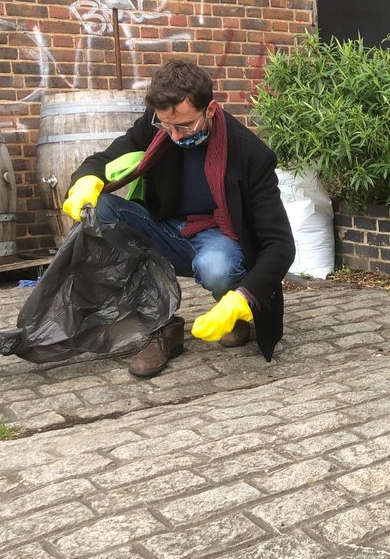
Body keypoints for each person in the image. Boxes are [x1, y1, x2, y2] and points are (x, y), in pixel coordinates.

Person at [60, 60, 296, 377]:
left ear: (209, 109)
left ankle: (230, 313)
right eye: (166, 126)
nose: (173, 135)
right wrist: (86, 180)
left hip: (217, 235)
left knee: (216, 268)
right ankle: (161, 328)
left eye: (184, 126)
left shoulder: (250, 154)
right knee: (100, 209)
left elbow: (281, 245)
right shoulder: (157, 124)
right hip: (164, 227)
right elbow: (104, 159)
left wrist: (244, 298)